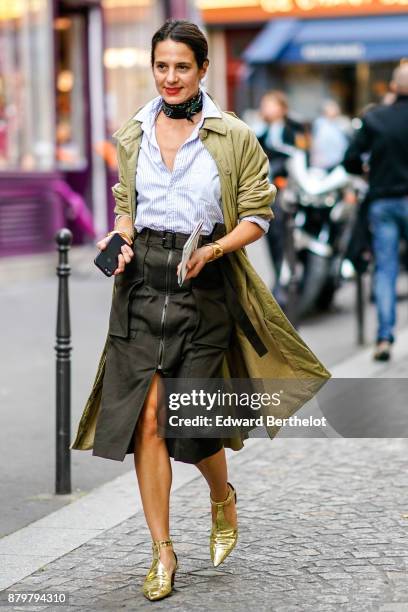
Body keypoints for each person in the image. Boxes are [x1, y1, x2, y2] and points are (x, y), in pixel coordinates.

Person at [70, 20, 330, 602]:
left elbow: (257, 215)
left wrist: (213, 249)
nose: (169, 77)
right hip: (141, 288)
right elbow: (124, 205)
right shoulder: (133, 133)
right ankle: (162, 550)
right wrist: (121, 238)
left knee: (191, 423)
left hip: (205, 286)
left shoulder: (234, 136)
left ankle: (221, 497)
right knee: (147, 418)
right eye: (161, 66)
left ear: (202, 70)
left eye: (181, 67)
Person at [343, 63, 408, 361]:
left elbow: (350, 160)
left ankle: (384, 337)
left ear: (393, 87)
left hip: (383, 201)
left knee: (385, 270)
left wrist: (368, 171)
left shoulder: (374, 119)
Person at [256, 90, 306, 306]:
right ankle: (279, 279)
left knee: (285, 238)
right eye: (265, 104)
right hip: (268, 193)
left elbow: (300, 156)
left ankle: (287, 282)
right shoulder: (261, 133)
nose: (267, 109)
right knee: (272, 237)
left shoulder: (293, 130)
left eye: (271, 104)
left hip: (289, 193)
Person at [311, 99, 350, 171]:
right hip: (325, 164)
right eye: (333, 109)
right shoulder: (321, 124)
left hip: (337, 162)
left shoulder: (338, 124)